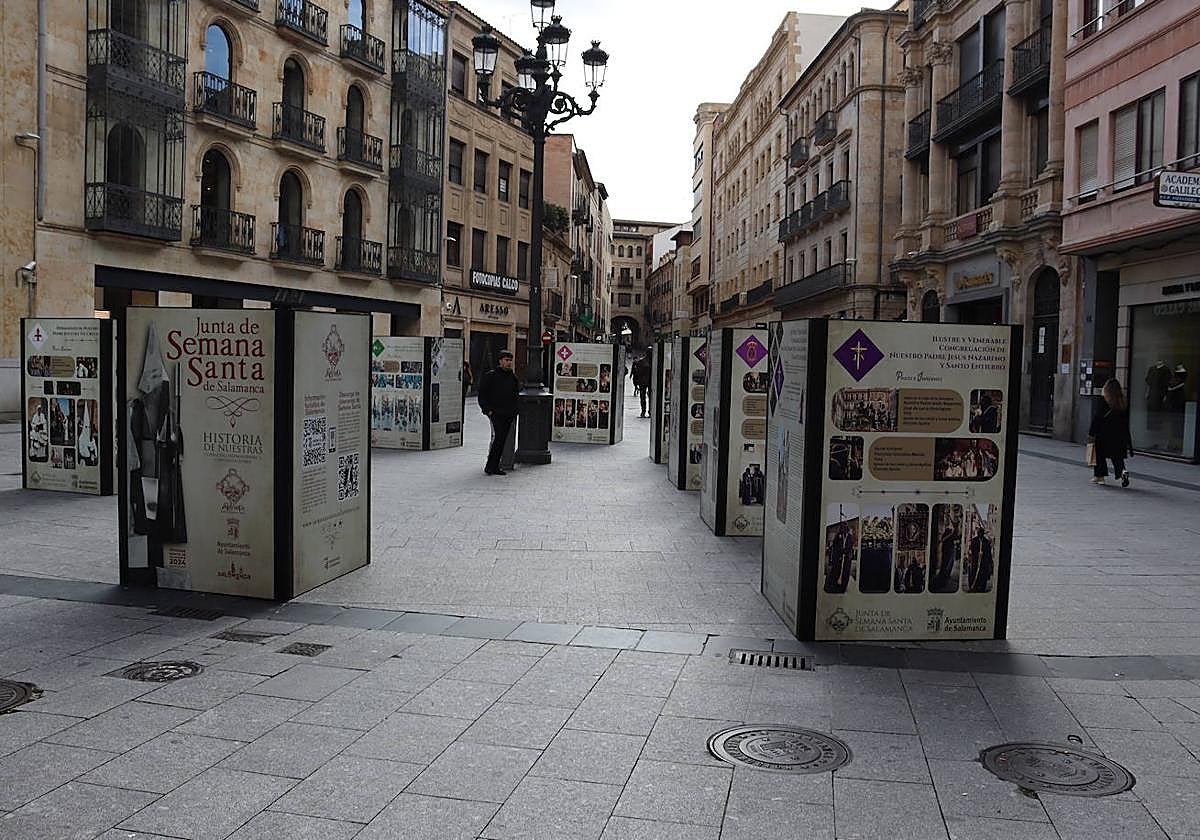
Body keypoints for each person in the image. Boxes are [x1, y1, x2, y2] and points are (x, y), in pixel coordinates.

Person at [477, 350, 519, 476]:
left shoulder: (513, 377)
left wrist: (515, 411)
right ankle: (490, 466)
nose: (509, 363)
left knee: (501, 440)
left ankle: (494, 466)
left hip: (508, 414)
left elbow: (516, 395)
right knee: (499, 437)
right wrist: (487, 410)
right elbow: (482, 394)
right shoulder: (491, 376)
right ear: (500, 361)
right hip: (495, 413)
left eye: (510, 360)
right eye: (506, 360)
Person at [1088, 378, 1132, 487]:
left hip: (1104, 435)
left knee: (1099, 455)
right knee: (1117, 457)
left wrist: (1091, 433)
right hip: (1119, 436)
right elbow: (1125, 421)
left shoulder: (1104, 401)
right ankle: (1122, 472)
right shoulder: (1122, 402)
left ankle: (1100, 476)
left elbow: (1097, 418)